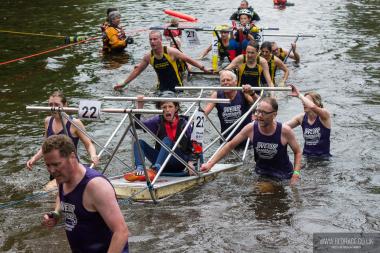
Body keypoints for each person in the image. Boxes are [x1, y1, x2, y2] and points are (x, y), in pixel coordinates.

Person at [41, 135, 129, 253]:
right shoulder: (62, 177)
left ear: (72, 157)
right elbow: (61, 196)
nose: (52, 171)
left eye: (56, 164)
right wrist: (56, 213)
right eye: (48, 165)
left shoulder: (95, 186)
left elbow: (121, 232)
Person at [201, 97, 302, 185]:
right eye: (258, 111)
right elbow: (230, 145)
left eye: (264, 113)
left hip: (283, 175)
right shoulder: (251, 128)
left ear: (274, 115)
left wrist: (296, 174)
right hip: (261, 173)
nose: (259, 115)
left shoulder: (285, 131)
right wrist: (210, 164)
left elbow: (297, 151)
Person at [124, 91, 195, 181]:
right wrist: (139, 107)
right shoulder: (157, 121)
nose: (167, 110)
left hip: (178, 162)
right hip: (161, 161)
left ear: (176, 108)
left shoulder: (185, 123)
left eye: (170, 106)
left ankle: (155, 170)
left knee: (167, 140)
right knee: (139, 142)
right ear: (160, 109)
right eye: (164, 107)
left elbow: (196, 145)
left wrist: (192, 162)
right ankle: (140, 170)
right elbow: (137, 125)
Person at [26, 91, 99, 174]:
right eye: (50, 105)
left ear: (65, 105)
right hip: (54, 169)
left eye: (57, 105)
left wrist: (93, 155)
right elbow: (45, 146)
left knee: (49, 187)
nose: (53, 108)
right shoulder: (47, 121)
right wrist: (34, 158)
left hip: (71, 169)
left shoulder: (74, 123)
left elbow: (88, 143)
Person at [114, 31, 211, 92]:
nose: (152, 41)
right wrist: (124, 83)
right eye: (150, 39)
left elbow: (188, 59)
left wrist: (203, 68)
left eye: (155, 39)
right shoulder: (148, 56)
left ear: (160, 40)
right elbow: (137, 71)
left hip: (177, 88)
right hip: (161, 89)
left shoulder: (171, 52)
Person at [203, 70, 257, 147]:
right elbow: (204, 113)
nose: (225, 82)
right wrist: (191, 123)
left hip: (246, 140)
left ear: (235, 82)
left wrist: (252, 93)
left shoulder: (243, 92)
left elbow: (257, 104)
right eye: (223, 81)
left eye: (228, 80)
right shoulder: (216, 95)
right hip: (227, 140)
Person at [286, 85, 331, 157]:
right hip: (306, 157)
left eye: (306, 101)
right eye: (303, 101)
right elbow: (283, 127)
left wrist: (299, 95)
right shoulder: (301, 118)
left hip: (323, 159)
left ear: (317, 103)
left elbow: (312, 106)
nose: (303, 103)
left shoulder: (324, 116)